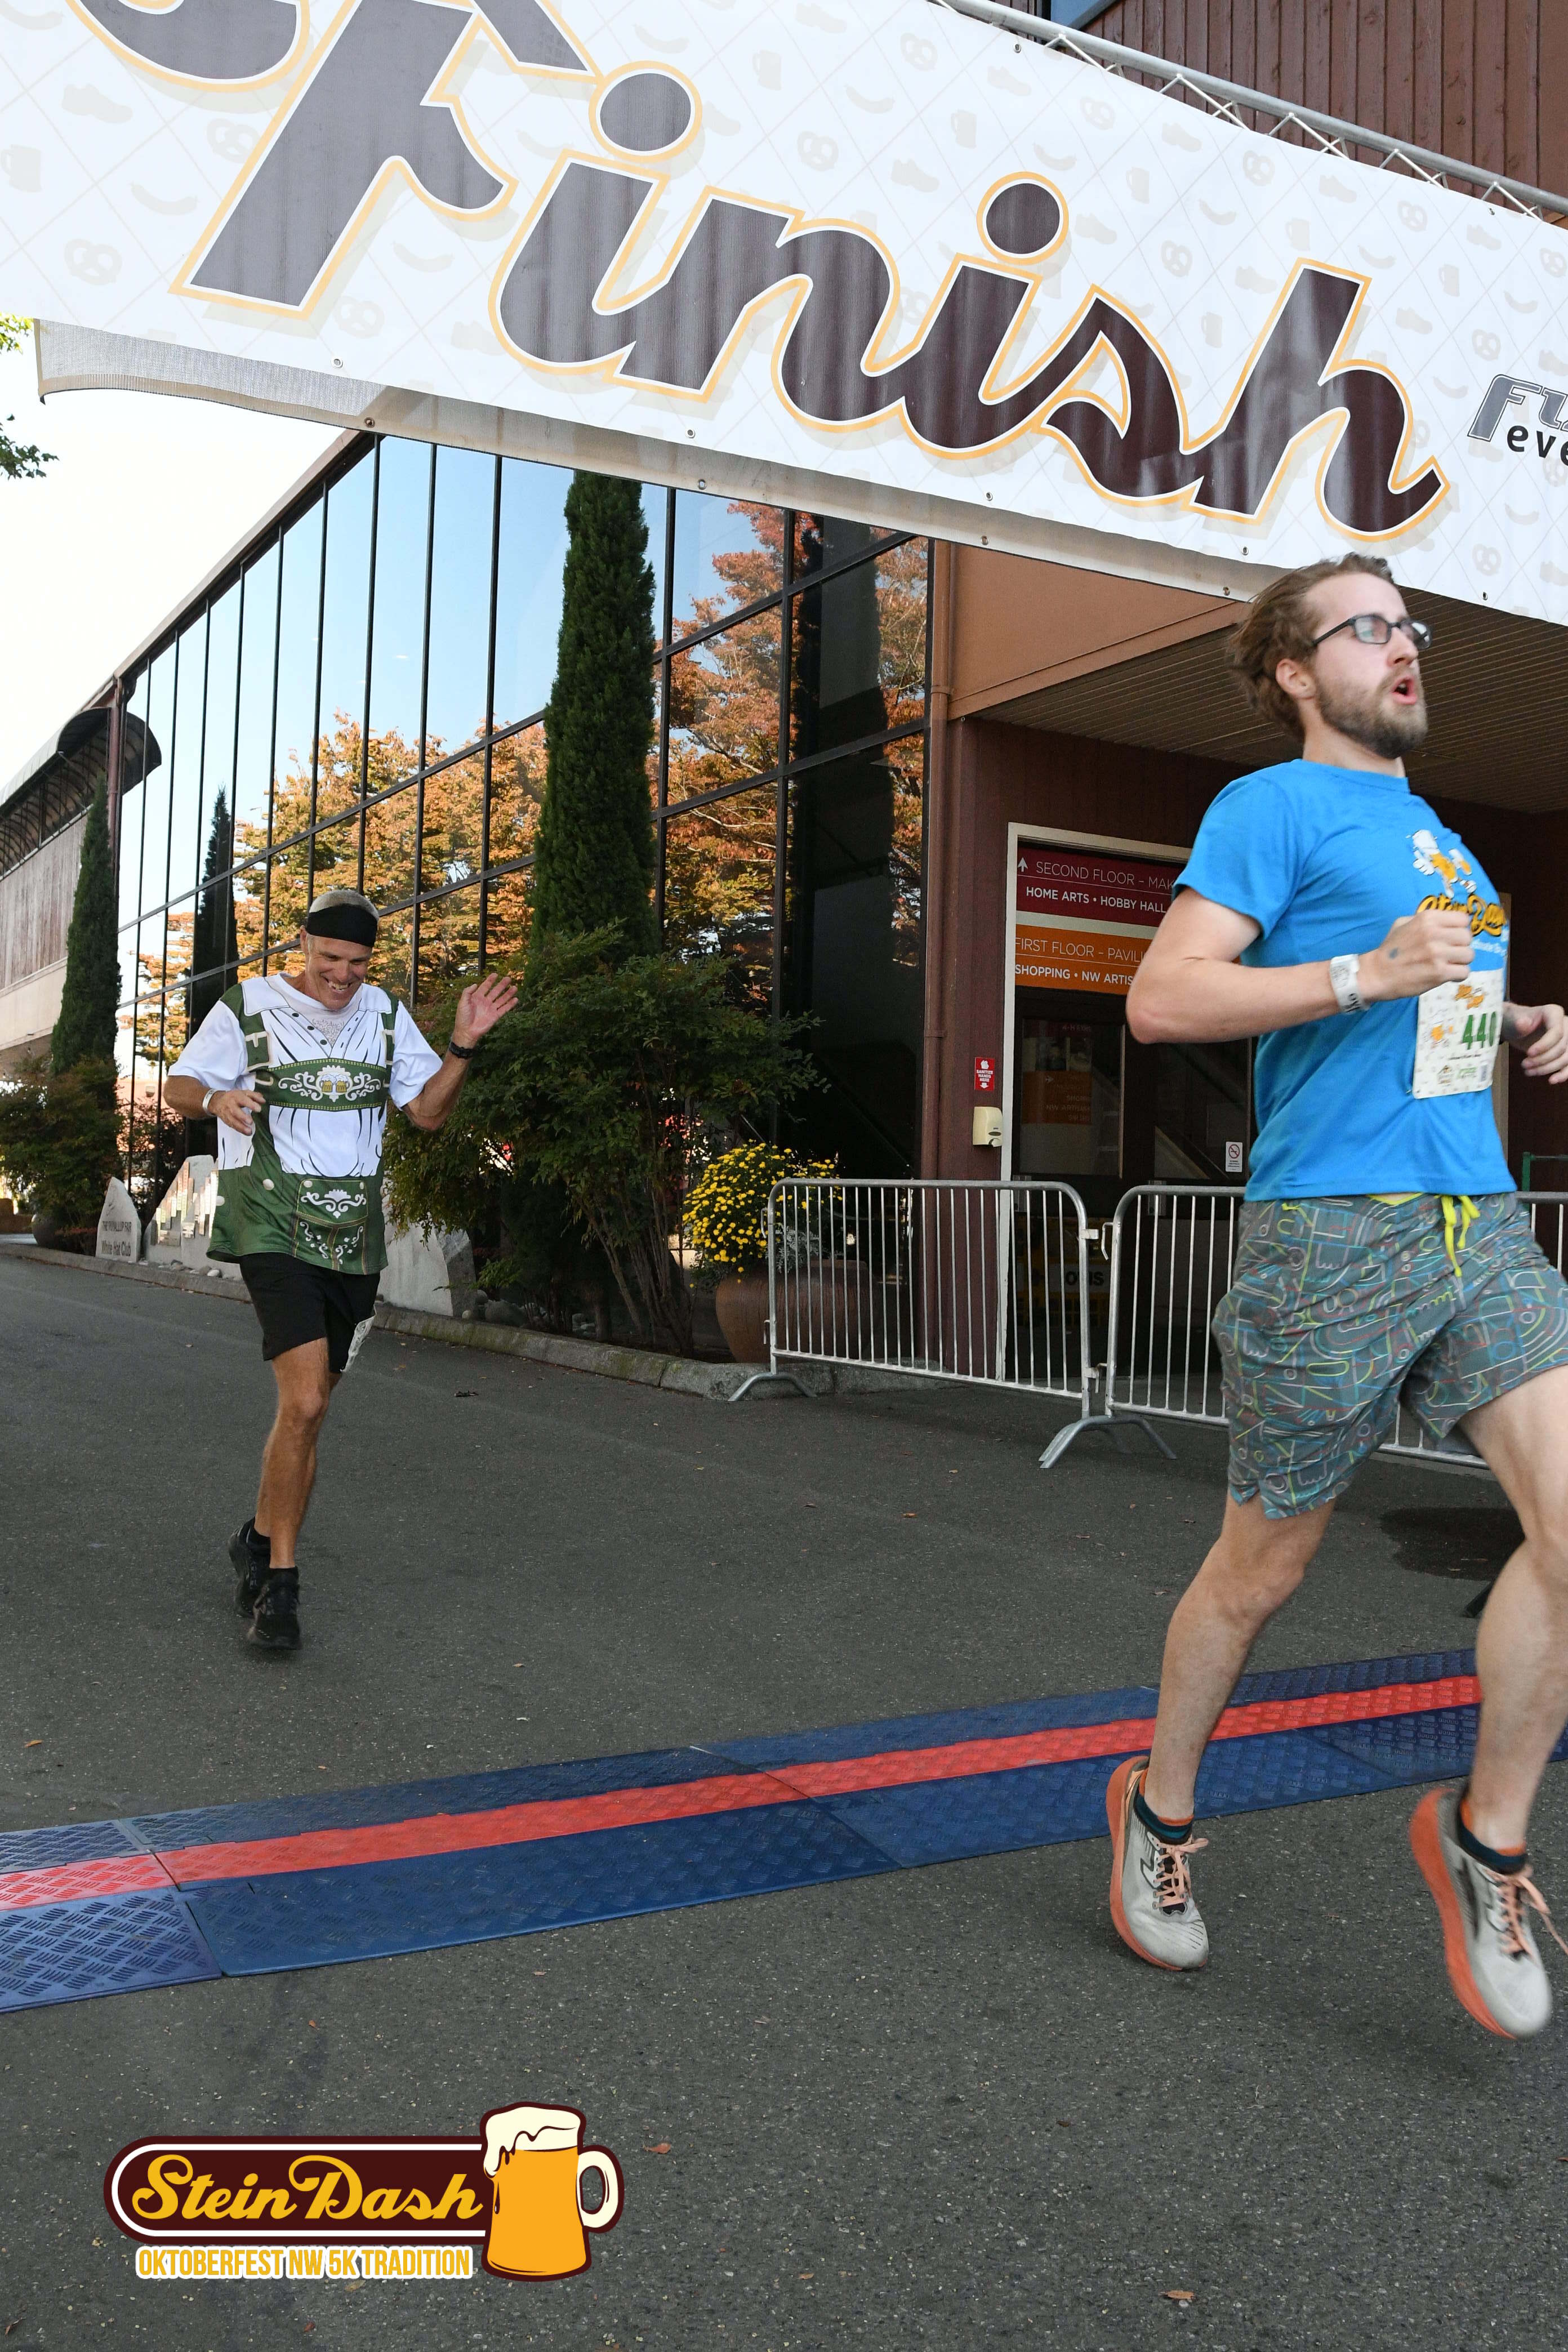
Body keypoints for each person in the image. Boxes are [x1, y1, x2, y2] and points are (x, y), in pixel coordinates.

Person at [1113, 551, 1568, 2039]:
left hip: (1475, 1220)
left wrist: (1515, 1015)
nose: (1403, 645)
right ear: (1297, 672)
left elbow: (1431, 1009)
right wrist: (1364, 974)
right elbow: (1164, 998)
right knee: (1260, 1574)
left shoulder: (1440, 832)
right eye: (1367, 628)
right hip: (1333, 1234)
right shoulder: (1272, 807)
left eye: (1408, 623)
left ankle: (1488, 1840)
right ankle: (1159, 1811)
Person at [164, 889, 517, 1652]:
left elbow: (426, 1113)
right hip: (270, 1224)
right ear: (303, 943)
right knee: (303, 1400)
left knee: (312, 1411)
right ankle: (281, 1589)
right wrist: (217, 1097)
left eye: (357, 963)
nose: (342, 975)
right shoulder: (250, 1005)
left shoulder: (384, 1014)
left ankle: (258, 1540)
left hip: (354, 1237)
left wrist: (462, 1047)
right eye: (330, 958)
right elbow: (178, 1087)